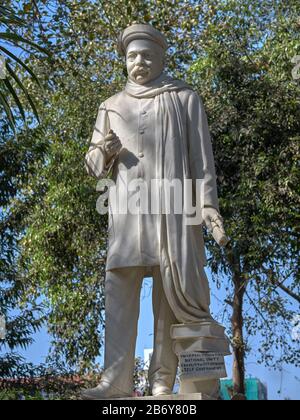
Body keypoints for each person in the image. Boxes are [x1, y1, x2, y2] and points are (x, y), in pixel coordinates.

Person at [83, 23, 228, 400]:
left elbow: (202, 161)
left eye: (146, 55)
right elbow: (94, 167)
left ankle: (162, 381)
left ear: (161, 57)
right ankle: (114, 381)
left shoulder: (184, 98)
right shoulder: (111, 107)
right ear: (124, 61)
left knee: (169, 296)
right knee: (120, 292)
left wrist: (208, 205)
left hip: (175, 213)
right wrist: (106, 150)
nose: (139, 62)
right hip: (128, 216)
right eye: (132, 56)